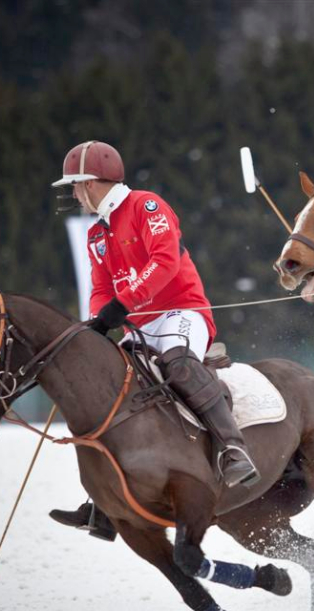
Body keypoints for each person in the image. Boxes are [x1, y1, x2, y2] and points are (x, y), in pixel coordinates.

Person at [47, 140, 260, 541]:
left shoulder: (147, 207)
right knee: (107, 385)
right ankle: (107, 502)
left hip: (184, 312)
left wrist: (121, 305)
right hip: (137, 326)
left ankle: (233, 449)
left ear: (92, 183)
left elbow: (165, 262)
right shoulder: (96, 234)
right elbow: (99, 287)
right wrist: (97, 321)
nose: (74, 195)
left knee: (178, 362)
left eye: (75, 186)